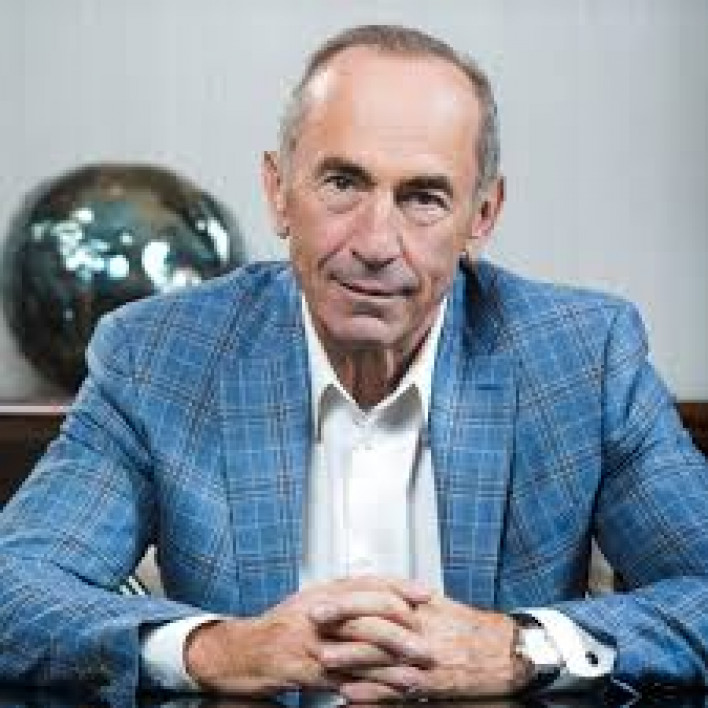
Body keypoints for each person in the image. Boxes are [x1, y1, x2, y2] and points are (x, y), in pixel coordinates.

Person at [1, 23, 707, 703]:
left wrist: (518, 650)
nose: (375, 242)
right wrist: (220, 651)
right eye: (342, 182)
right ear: (278, 191)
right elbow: (16, 586)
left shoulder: (582, 358)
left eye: (423, 197)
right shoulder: (159, 357)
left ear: (482, 216)